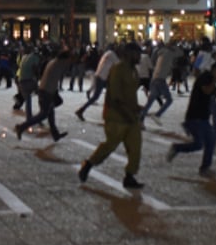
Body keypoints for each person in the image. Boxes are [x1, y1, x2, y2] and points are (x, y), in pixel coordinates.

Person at [78, 44, 144, 189]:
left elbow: (130, 96)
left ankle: (129, 176)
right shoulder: (118, 69)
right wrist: (128, 112)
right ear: (129, 54)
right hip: (116, 117)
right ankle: (88, 163)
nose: (140, 57)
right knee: (109, 146)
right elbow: (115, 97)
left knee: (135, 147)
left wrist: (136, 108)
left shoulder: (133, 71)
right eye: (137, 54)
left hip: (131, 117)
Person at [167, 61, 216, 176]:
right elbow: (207, 91)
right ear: (215, 70)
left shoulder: (211, 79)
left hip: (203, 118)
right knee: (199, 144)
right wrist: (215, 79)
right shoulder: (205, 77)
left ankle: (204, 168)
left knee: (210, 141)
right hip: (194, 117)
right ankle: (176, 148)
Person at [15, 48, 71, 143]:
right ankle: (21, 127)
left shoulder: (54, 62)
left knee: (50, 114)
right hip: (46, 92)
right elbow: (55, 78)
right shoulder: (57, 65)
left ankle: (55, 135)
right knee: (44, 114)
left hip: (45, 90)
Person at [76, 44, 118, 121]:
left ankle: (110, 112)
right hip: (102, 77)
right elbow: (118, 64)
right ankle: (81, 110)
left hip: (101, 76)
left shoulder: (106, 54)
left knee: (111, 93)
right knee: (96, 96)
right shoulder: (112, 54)